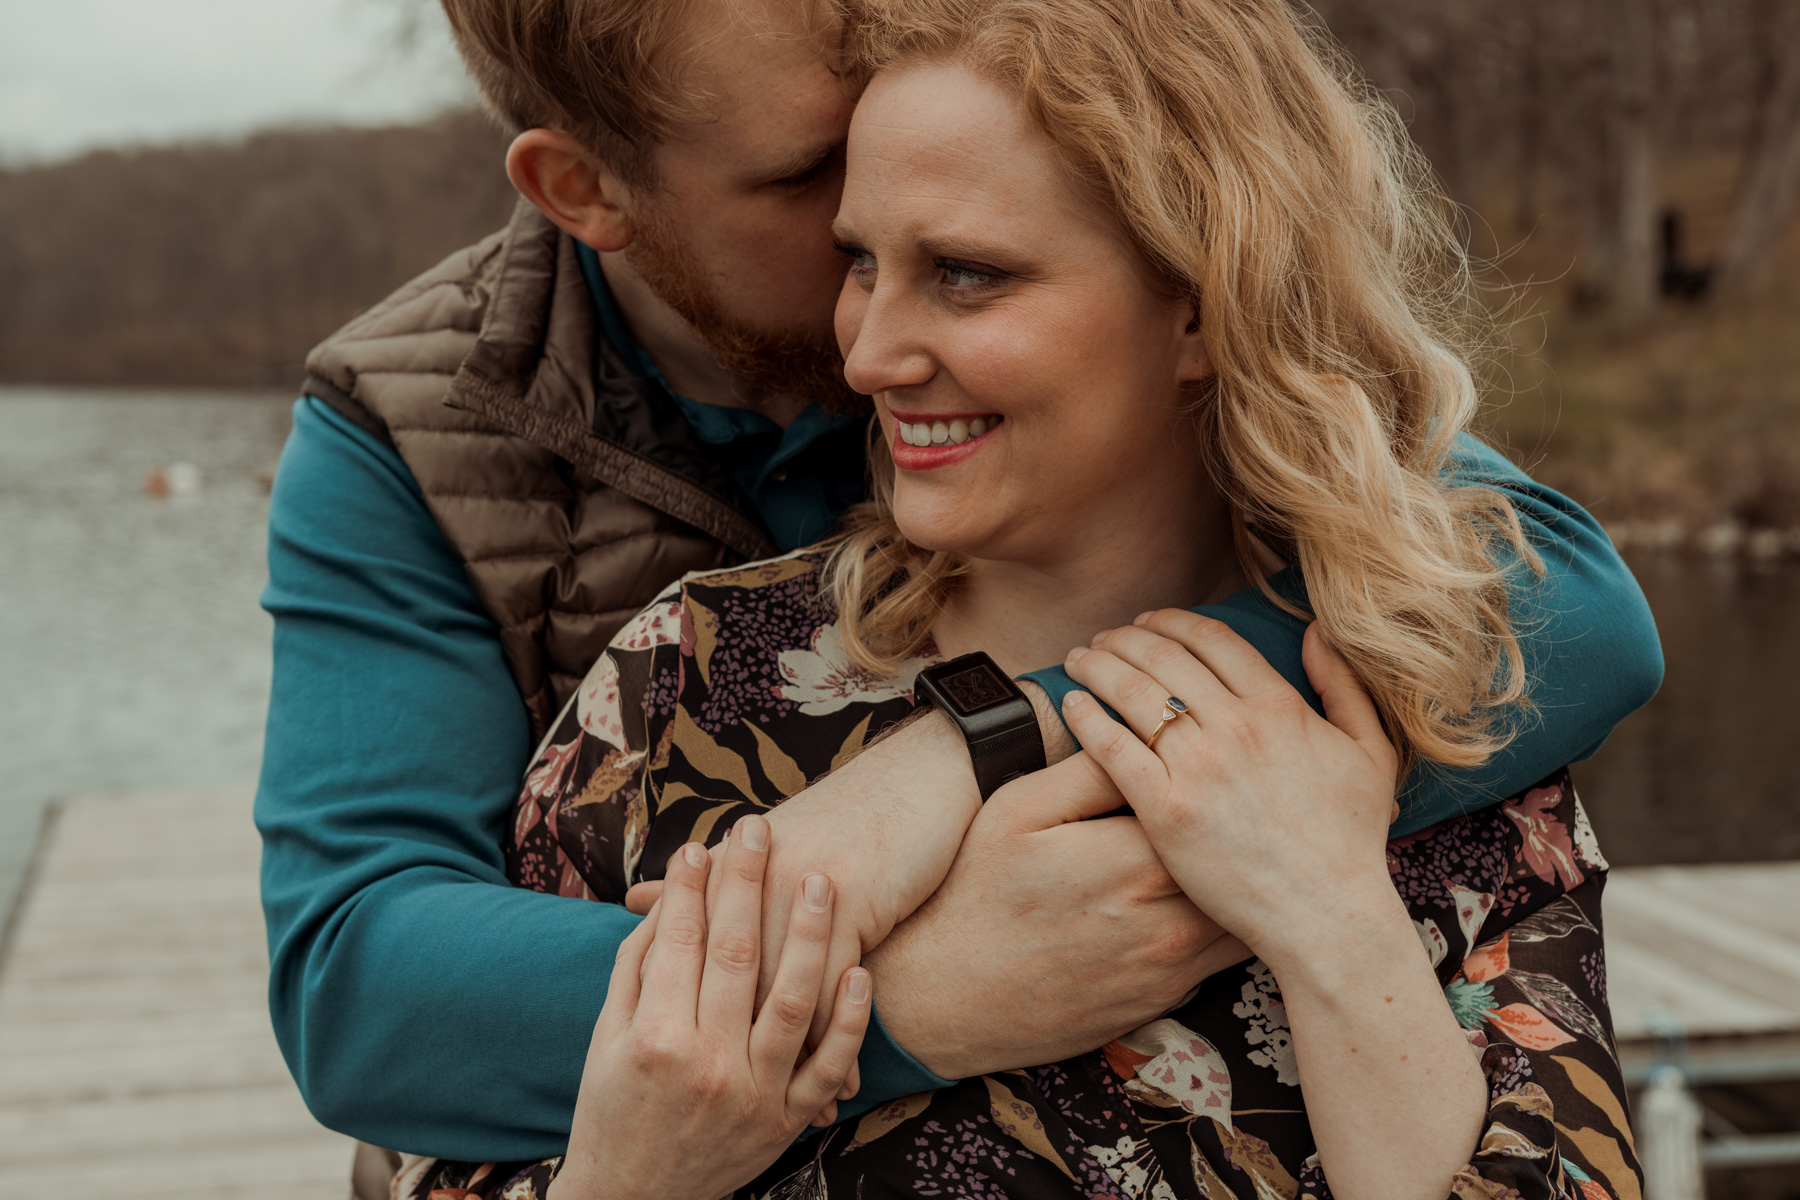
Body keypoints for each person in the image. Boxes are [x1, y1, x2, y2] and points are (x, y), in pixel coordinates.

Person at [253, 0, 1659, 1189]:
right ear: (587, 193)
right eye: (822, 188)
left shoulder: (1074, 226)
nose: (874, 334)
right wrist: (907, 999)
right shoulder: (462, 482)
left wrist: (972, 751)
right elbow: (361, 987)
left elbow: (1551, 596)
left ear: (1197, 305)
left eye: (967, 264)